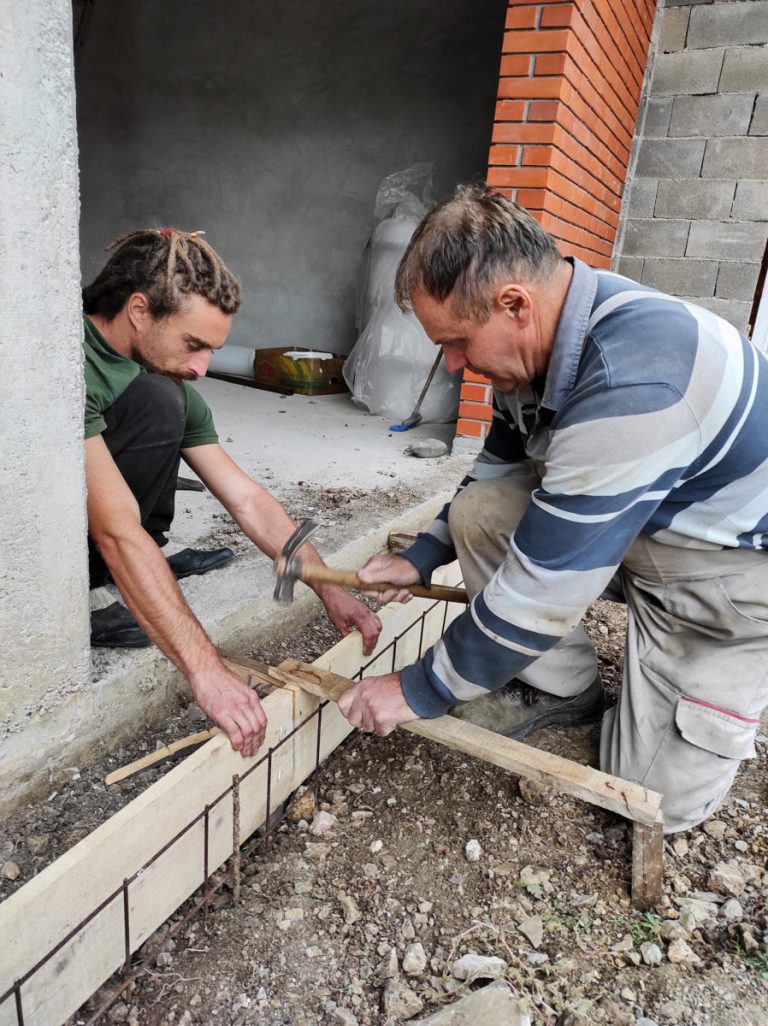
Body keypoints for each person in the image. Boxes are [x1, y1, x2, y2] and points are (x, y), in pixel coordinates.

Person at [337, 183, 768, 834]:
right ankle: (561, 684)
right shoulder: (543, 344)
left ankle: (700, 674)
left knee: (641, 803)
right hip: (636, 522)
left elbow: (543, 589)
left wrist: (417, 688)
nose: (453, 365)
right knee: (480, 510)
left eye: (456, 342)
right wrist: (422, 557)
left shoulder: (638, 381)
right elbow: (498, 467)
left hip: (726, 577)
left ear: (514, 304)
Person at [83, 227, 381, 758]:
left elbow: (247, 499)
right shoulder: (61, 368)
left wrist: (330, 587)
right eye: (193, 344)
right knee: (155, 404)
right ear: (138, 310)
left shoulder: (158, 374)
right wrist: (206, 670)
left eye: (211, 350)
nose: (202, 367)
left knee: (160, 402)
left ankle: (123, 571)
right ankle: (91, 584)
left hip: (103, 517)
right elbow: (115, 527)